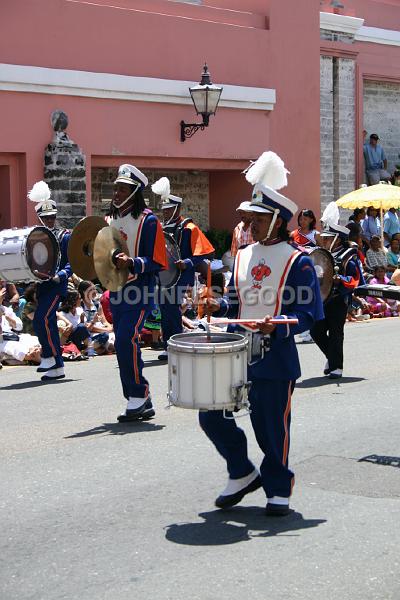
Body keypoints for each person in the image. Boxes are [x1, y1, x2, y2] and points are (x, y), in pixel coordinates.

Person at [199, 151, 324, 516]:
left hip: (274, 354)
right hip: (236, 350)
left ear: (276, 220)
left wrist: (280, 323)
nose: (249, 225)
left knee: (269, 426)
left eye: (256, 219)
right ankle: (240, 471)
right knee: (210, 415)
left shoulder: (299, 260)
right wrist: (213, 304)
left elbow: (309, 313)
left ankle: (278, 485)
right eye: (249, 218)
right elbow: (235, 304)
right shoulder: (241, 256)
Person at [108, 164, 167, 422]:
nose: (118, 193)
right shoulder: (111, 220)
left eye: (123, 189)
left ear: (134, 192)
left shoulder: (149, 221)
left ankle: (139, 394)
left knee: (125, 340)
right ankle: (140, 398)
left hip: (140, 290)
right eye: (117, 188)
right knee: (123, 345)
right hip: (117, 290)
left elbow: (157, 261)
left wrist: (132, 262)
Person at [151, 176, 214, 361]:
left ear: (177, 209)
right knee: (164, 310)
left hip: (180, 276)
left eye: (169, 209)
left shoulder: (189, 227)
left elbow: (205, 253)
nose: (165, 212)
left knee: (172, 310)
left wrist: (187, 262)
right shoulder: (161, 228)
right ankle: (169, 345)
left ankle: (176, 345)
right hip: (163, 276)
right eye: (164, 209)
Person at [27, 181, 72, 381]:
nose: (50, 220)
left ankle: (49, 356)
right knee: (50, 323)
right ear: (40, 218)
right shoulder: (35, 236)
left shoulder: (64, 236)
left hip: (57, 285)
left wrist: (60, 275)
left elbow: (73, 263)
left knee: (41, 319)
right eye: (46, 217)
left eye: (52, 216)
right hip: (43, 286)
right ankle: (58, 367)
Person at [311, 217, 365, 379]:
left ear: (337, 239)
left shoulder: (348, 256)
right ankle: (332, 357)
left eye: (328, 238)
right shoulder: (322, 253)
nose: (325, 240)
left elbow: (355, 278)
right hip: (321, 299)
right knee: (316, 331)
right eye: (325, 238)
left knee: (336, 333)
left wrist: (341, 279)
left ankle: (336, 367)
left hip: (338, 299)